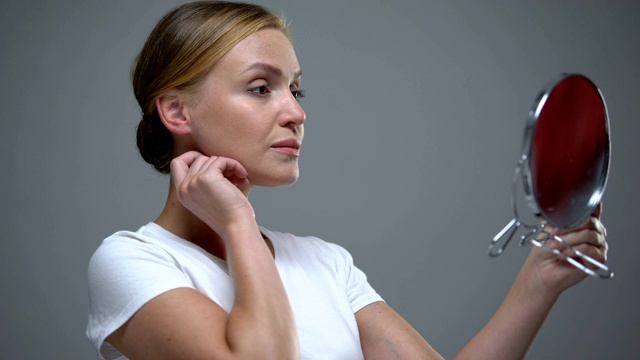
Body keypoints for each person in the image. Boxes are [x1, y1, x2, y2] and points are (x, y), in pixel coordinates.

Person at [86, 1, 609, 359]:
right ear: (176, 110)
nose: (295, 112)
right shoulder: (133, 261)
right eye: (261, 88)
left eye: (297, 90)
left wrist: (539, 281)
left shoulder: (325, 263)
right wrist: (239, 221)